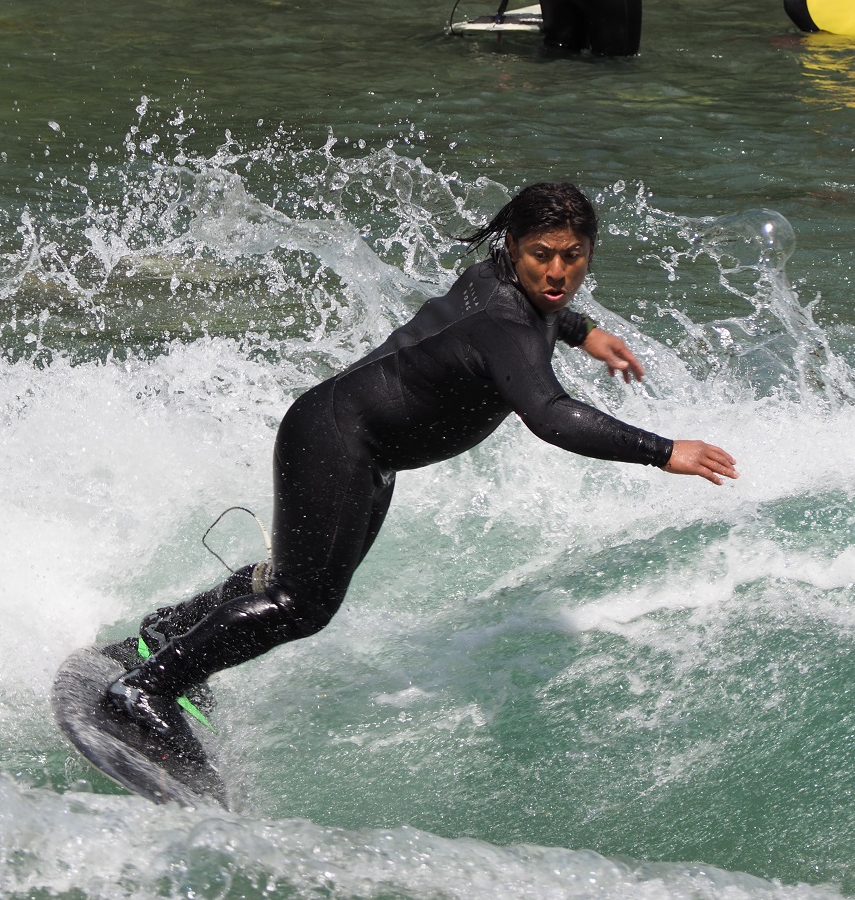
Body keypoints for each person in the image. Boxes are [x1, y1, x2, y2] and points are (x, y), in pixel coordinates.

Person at [106, 182, 737, 755]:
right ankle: (147, 689)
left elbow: (546, 310)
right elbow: (549, 414)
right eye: (542, 254)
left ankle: (166, 634)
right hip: (338, 439)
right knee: (301, 603)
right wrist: (663, 451)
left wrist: (581, 331)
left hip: (360, 446)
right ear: (512, 246)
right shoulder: (504, 320)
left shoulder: (502, 284)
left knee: (300, 582)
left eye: (573, 257)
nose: (557, 273)